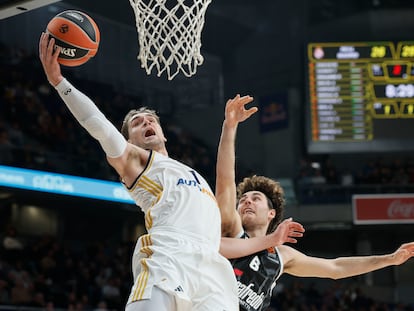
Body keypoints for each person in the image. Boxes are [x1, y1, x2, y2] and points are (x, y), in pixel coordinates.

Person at [38, 33, 304, 311]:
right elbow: (99, 125)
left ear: (164, 134)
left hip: (211, 271)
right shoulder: (138, 162)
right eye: (138, 123)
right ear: (129, 141)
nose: (147, 122)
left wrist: (270, 240)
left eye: (151, 119)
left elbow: (217, 245)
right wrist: (60, 82)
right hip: (168, 258)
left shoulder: (194, 176)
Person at [215, 94, 414, 311]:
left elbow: (336, 267)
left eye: (255, 198)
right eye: (242, 199)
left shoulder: (282, 256)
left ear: (271, 213)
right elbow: (225, 182)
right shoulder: (232, 230)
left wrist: (390, 259)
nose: (246, 202)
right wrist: (230, 127)